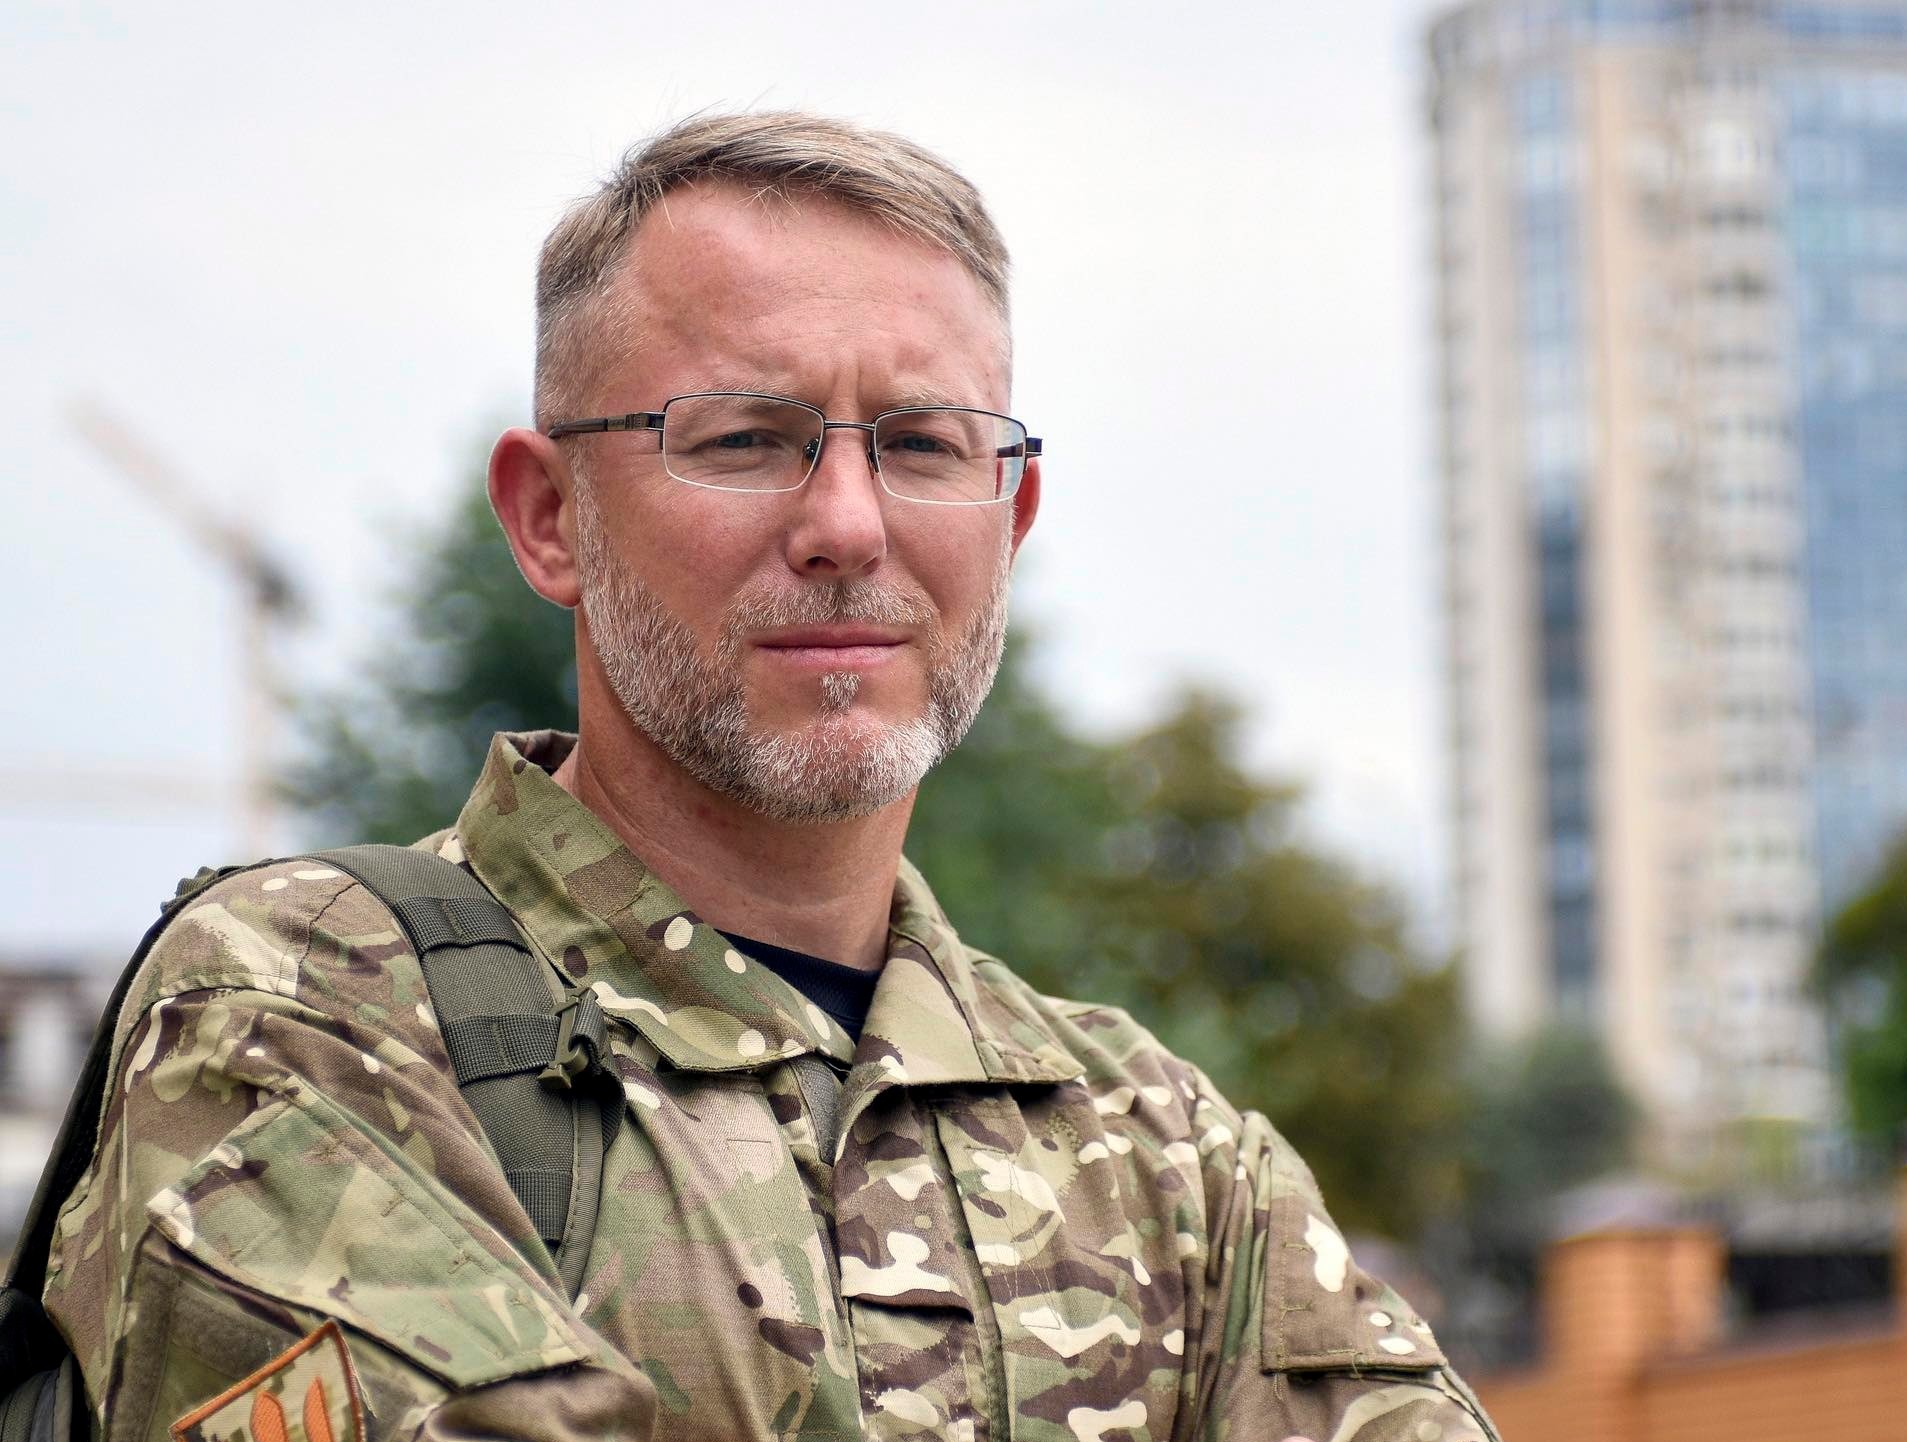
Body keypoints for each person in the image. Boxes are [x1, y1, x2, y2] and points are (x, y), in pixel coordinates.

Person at [44, 112, 1499, 1441]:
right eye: (745, 440)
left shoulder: (1160, 1156)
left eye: (923, 444)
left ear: (1009, 518)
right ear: (550, 516)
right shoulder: (312, 1008)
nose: (848, 525)